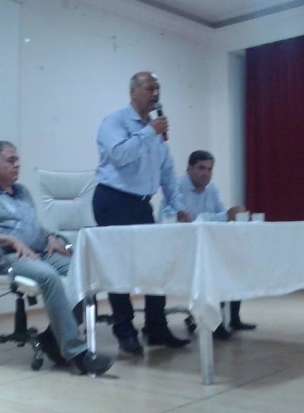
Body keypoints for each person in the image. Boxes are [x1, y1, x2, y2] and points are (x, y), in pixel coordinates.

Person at [0, 140, 113, 375]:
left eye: (17, 160)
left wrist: (50, 237)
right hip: (3, 257)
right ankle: (77, 353)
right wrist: (11, 240)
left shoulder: (22, 192)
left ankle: (51, 341)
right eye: (11, 160)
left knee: (83, 273)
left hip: (38, 252)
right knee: (48, 277)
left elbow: (32, 227)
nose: (17, 165)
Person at [92, 71, 191, 355]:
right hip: (113, 200)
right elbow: (120, 155)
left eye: (158, 88)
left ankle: (157, 327)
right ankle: (124, 330)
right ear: (133, 92)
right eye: (150, 88)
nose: (155, 94)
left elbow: (167, 175)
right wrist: (150, 132)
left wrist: (180, 207)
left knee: (154, 265)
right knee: (119, 268)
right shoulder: (115, 122)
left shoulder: (156, 133)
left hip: (141, 204)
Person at [162, 149, 257, 338]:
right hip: (180, 247)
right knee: (216, 268)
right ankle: (214, 322)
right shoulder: (177, 189)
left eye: (209, 169)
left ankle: (233, 318)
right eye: (201, 168)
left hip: (206, 245)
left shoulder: (212, 189)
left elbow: (220, 215)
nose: (206, 173)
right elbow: (183, 219)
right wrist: (225, 216)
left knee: (234, 260)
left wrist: (231, 214)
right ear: (189, 169)